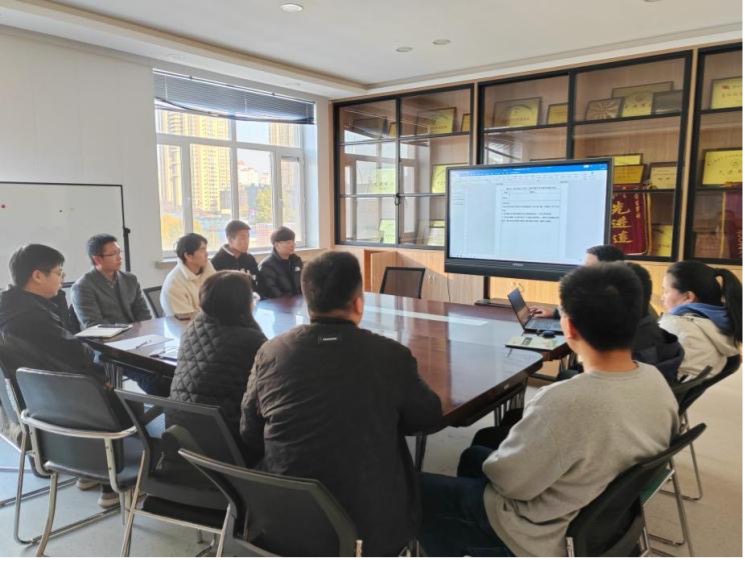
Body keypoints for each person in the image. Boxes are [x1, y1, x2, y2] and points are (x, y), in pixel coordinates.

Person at [418, 263, 679, 557]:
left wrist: (496, 463)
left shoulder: (564, 401)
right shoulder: (656, 380)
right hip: (599, 516)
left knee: (415, 490)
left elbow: (509, 482)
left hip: (540, 532)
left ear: (569, 327)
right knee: (474, 455)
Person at [240, 251, 442, 555]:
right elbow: (428, 417)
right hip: (371, 527)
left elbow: (249, 432)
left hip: (285, 518)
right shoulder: (390, 355)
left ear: (307, 302)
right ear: (359, 303)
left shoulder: (271, 353)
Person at [0, 244, 123, 507]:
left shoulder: (11, 306)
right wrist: (103, 378)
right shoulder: (31, 317)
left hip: (35, 404)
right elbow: (76, 354)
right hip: (57, 403)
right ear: (37, 276)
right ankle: (113, 483)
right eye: (58, 273)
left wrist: (56, 300)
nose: (62, 278)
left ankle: (88, 471)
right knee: (117, 400)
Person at [169, 271, 266, 438]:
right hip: (224, 436)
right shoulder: (251, 339)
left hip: (179, 430)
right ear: (243, 303)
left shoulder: (192, 328)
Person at [659, 260, 741, 381]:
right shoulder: (726, 322)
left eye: (666, 291)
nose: (662, 297)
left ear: (688, 297)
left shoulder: (676, 325)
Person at [71, 234, 151, 327]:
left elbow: (144, 313)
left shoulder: (130, 279)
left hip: (137, 333)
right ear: (97, 259)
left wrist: (142, 330)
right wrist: (128, 330)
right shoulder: (82, 287)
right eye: (113, 254)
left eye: (119, 252)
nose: (119, 257)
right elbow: (95, 324)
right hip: (108, 335)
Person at [530, 244, 625, 317]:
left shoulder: (615, 297)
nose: (583, 270)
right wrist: (555, 313)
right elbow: (583, 314)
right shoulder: (600, 288)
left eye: (589, 266)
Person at [160, 233, 216, 316]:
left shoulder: (208, 269)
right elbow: (185, 318)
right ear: (188, 256)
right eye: (202, 250)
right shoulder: (174, 284)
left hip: (209, 321)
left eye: (206, 249)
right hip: (183, 323)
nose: (206, 254)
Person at [210, 220, 262, 295]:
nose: (247, 241)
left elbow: (258, 283)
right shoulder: (217, 262)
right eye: (243, 238)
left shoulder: (250, 258)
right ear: (230, 240)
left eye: (248, 237)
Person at [258, 226, 303, 298]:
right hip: (279, 302)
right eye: (288, 243)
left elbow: (304, 283)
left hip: (298, 301)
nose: (292, 245)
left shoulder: (296, 261)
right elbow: (272, 291)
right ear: (276, 245)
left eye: (293, 242)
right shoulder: (267, 265)